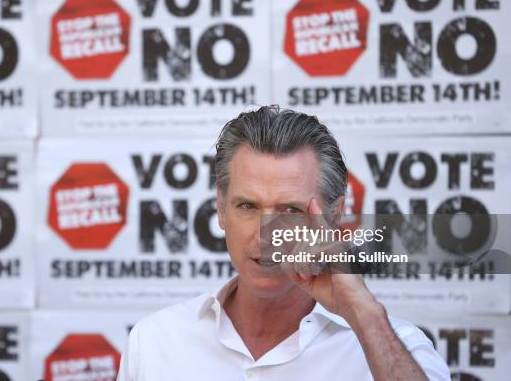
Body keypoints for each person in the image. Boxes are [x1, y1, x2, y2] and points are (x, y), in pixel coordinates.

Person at [117, 106, 451, 381]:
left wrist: (363, 313)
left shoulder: (393, 347)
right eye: (247, 206)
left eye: (290, 209)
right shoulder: (152, 341)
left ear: (333, 214)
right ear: (220, 209)